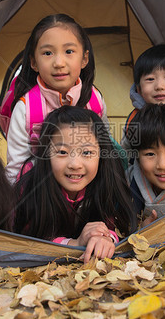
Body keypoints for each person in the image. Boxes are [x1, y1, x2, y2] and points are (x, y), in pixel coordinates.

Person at [14, 106, 136, 263]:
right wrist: (75, 244)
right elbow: (27, 242)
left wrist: (106, 239)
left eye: (87, 153)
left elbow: (118, 226)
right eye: (62, 152)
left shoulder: (108, 183)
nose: (75, 164)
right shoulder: (31, 188)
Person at [0, 14, 108, 182]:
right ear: (34, 62)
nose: (59, 63)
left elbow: (105, 149)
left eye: (69, 51)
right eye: (48, 53)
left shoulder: (95, 100)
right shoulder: (25, 108)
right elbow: (16, 169)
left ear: (84, 58)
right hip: (40, 193)